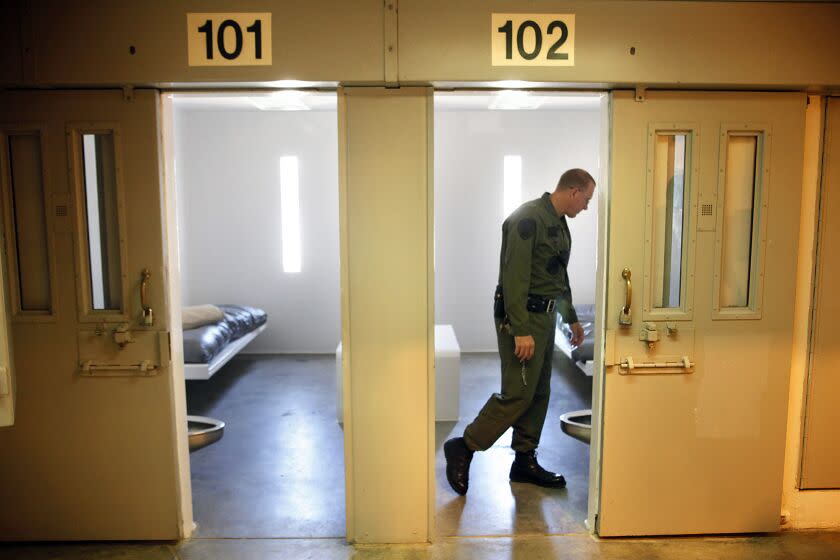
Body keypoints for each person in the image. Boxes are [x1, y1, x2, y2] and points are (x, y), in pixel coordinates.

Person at [443, 168, 595, 495]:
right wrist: (520, 330)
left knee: (539, 391)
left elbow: (557, 276)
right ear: (573, 191)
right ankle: (464, 446)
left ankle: (524, 459)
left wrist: (570, 318)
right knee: (518, 392)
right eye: (586, 199)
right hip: (521, 317)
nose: (586, 207)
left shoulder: (557, 223)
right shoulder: (527, 219)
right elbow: (513, 279)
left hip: (544, 318)